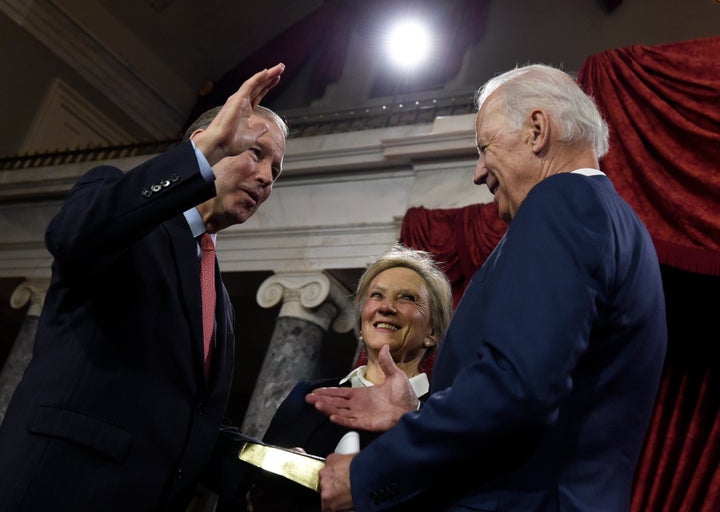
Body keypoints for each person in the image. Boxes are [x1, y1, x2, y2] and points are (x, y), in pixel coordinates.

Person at [306, 63, 668, 511]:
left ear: (537, 130)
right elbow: (549, 395)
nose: (478, 173)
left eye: (484, 147)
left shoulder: (562, 202)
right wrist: (415, 414)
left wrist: (368, 474)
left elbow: (516, 389)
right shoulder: (620, 225)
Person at [0, 63, 288, 511]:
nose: (268, 177)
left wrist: (287, 472)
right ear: (210, 142)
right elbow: (75, 235)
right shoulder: (119, 207)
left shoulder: (221, 303)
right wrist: (204, 151)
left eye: (276, 170)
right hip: (57, 491)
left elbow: (188, 422)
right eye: (255, 153)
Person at [216, 243, 454, 511]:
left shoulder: (443, 415)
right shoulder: (308, 397)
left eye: (407, 298)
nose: (386, 307)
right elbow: (253, 491)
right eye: (376, 295)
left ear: (432, 332)